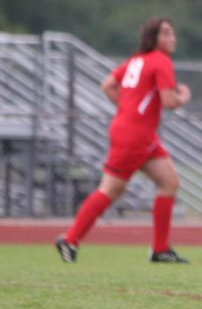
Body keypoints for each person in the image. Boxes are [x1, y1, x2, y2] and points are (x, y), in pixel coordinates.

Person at [55, 17, 192, 264]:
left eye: (173, 33)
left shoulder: (136, 60)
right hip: (135, 136)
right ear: (154, 38)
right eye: (166, 33)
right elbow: (170, 102)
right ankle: (70, 240)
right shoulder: (160, 61)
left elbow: (107, 85)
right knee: (110, 189)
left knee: (169, 182)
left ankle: (160, 249)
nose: (172, 38)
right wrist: (183, 96)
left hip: (136, 133)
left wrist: (127, 108)